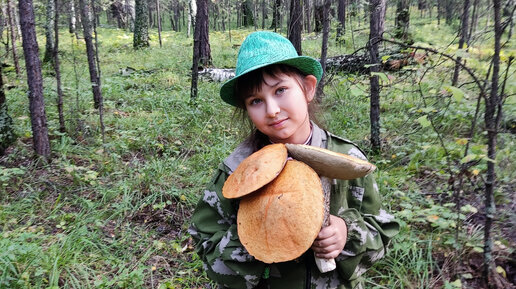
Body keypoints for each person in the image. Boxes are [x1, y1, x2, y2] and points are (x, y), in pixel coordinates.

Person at [189, 31, 399, 289]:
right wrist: (257, 238)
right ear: (246, 109)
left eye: (281, 90)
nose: (272, 110)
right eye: (256, 100)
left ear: (308, 88)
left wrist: (347, 233)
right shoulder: (237, 171)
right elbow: (206, 246)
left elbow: (383, 233)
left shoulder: (347, 158)